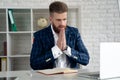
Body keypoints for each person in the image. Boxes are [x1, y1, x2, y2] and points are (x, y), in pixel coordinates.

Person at [30, 1, 90, 70]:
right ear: (51, 19)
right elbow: (34, 64)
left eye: (64, 19)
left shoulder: (74, 33)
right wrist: (56, 50)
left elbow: (86, 59)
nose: (62, 23)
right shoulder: (39, 36)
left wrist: (67, 49)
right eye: (58, 20)